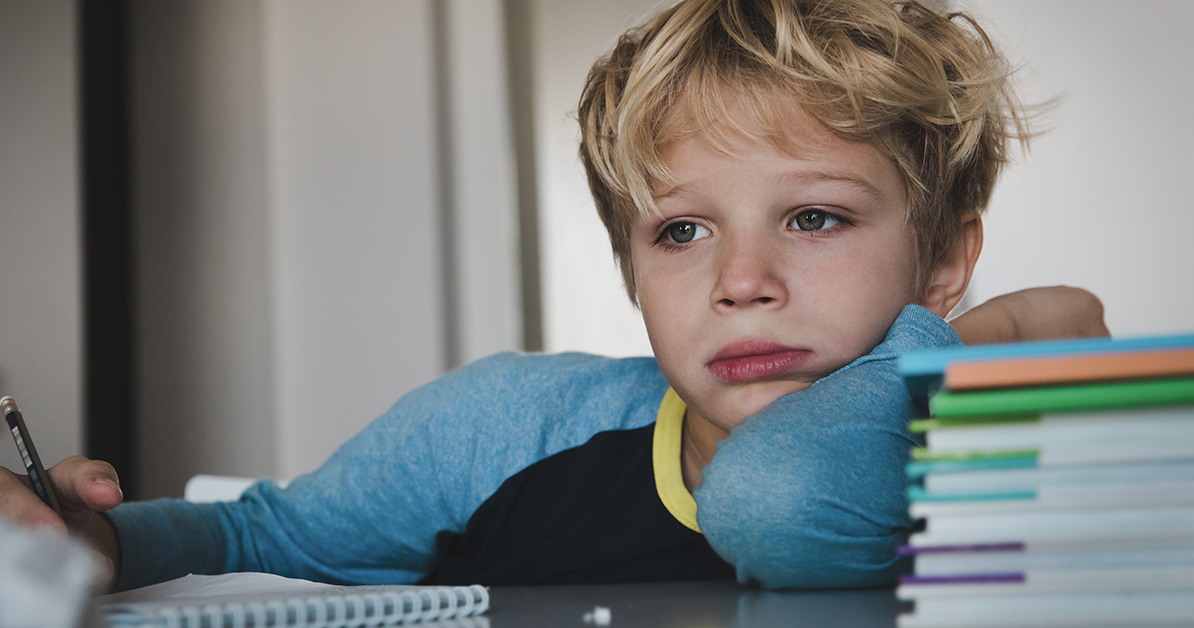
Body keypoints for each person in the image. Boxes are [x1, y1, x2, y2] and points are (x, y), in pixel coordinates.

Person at [0, 0, 1106, 591]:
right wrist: (94, 543)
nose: (742, 283)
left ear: (945, 261)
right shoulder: (505, 429)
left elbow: (789, 501)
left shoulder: (996, 447)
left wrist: (965, 347)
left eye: (813, 216)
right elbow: (254, 537)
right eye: (680, 230)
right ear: (629, 269)